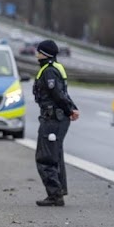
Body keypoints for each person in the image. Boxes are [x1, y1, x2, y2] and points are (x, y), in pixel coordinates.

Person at [31, 39, 79, 206]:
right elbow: (63, 92)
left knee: (46, 157)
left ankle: (55, 195)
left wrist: (69, 110)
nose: (36, 54)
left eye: (38, 51)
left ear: (44, 53)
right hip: (56, 117)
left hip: (53, 119)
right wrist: (72, 108)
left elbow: (58, 94)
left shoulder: (49, 71)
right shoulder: (54, 68)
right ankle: (58, 192)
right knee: (55, 155)